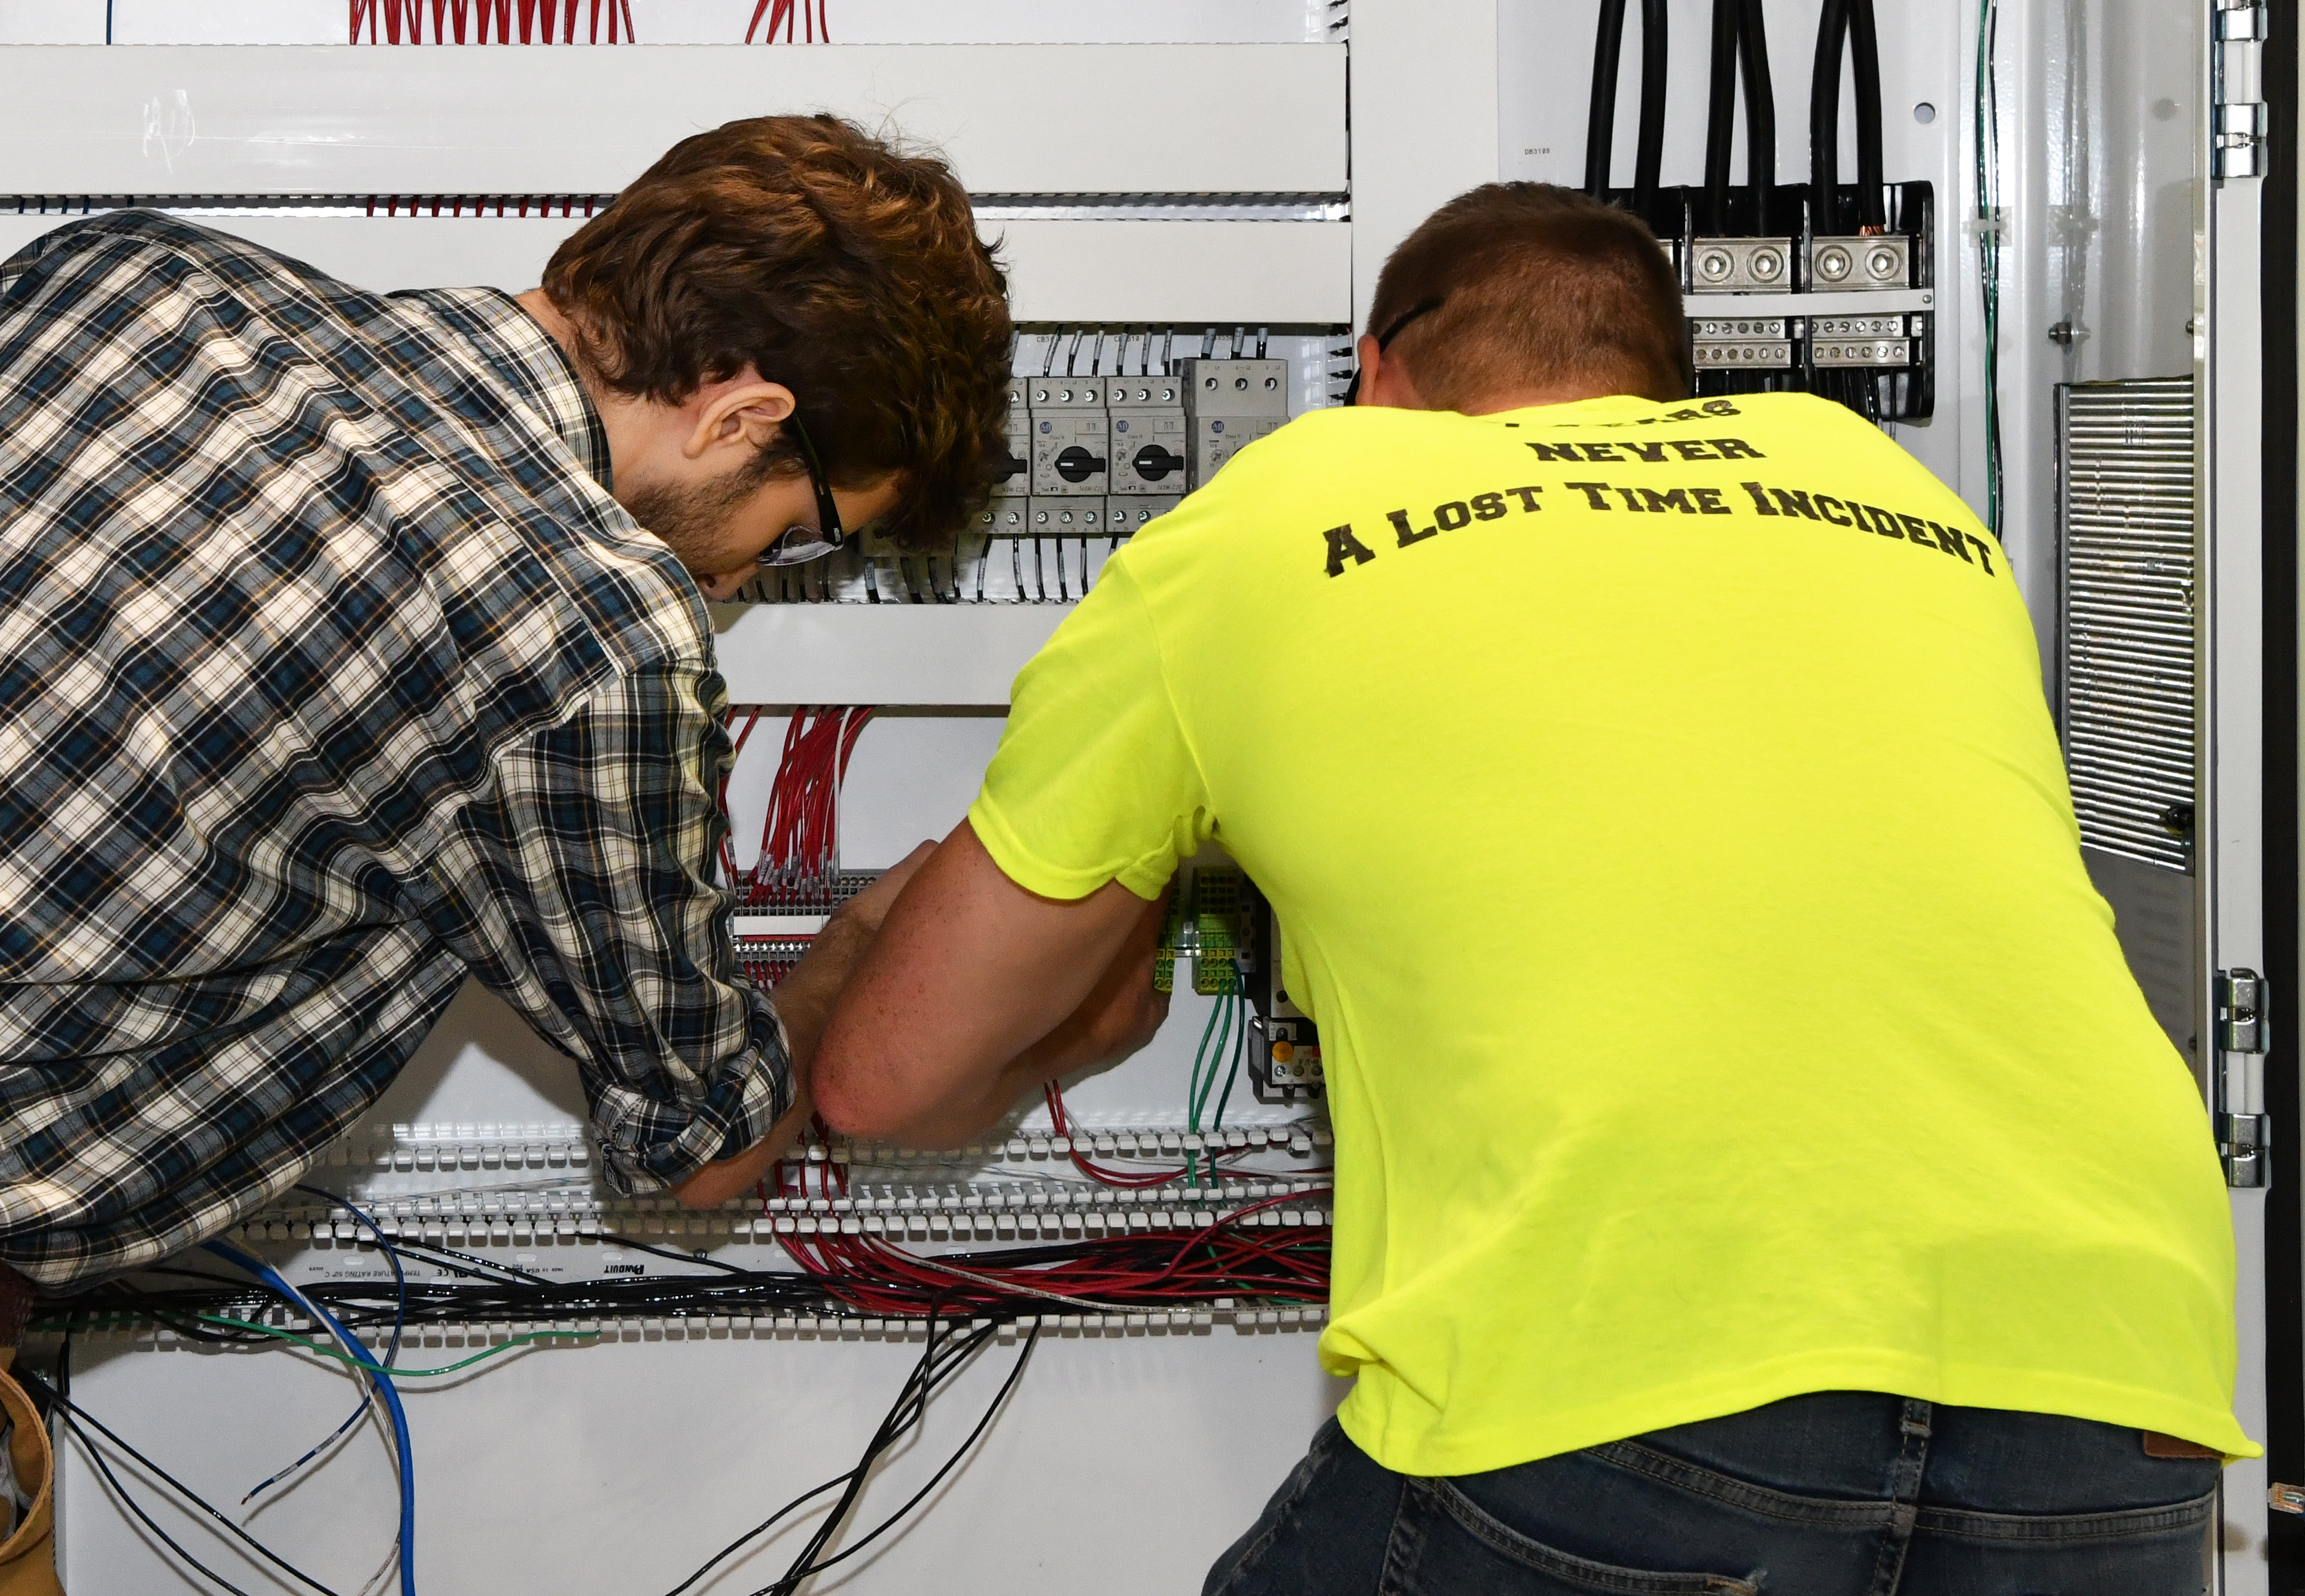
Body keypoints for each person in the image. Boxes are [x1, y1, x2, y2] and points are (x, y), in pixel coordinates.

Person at [0, 114, 1010, 1596]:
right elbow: (701, 1139)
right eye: (800, 540)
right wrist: (873, 949)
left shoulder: (127, 282)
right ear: (744, 416)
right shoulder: (586, 619)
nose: (745, 586)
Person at [812, 181, 2252, 1593]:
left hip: (1640, 1347)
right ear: (1668, 390)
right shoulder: (1881, 482)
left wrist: (1059, 1029)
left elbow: (886, 1081)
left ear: (1376, 376)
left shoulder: (1287, 505)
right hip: (2119, 1362)